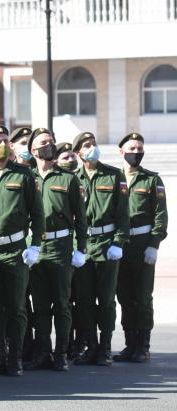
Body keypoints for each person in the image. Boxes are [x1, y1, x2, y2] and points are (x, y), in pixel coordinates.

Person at [26, 128, 87, 372]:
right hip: (34, 248)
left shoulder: (68, 179)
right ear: (33, 150)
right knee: (40, 305)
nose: (49, 146)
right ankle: (42, 352)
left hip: (60, 247)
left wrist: (80, 248)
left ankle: (60, 353)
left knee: (61, 303)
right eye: (44, 143)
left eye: (51, 141)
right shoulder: (26, 177)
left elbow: (81, 218)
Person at [0, 126, 43, 377]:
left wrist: (35, 245)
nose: (3, 145)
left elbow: (37, 214)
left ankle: (15, 356)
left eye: (6, 141)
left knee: (17, 307)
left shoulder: (23, 174)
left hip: (15, 249)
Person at [70, 131, 129, 365]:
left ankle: (105, 346)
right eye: (86, 145)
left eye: (93, 143)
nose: (92, 147)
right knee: (84, 300)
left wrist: (118, 242)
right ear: (78, 153)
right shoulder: (73, 178)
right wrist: (75, 246)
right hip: (83, 246)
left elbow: (124, 215)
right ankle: (91, 346)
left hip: (107, 245)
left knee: (105, 301)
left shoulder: (114, 176)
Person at [115, 132, 167, 363]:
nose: (136, 152)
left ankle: (143, 346)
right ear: (122, 152)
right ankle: (130, 343)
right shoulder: (114, 178)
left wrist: (153, 246)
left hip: (142, 244)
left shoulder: (152, 180)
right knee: (124, 296)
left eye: (139, 149)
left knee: (143, 297)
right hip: (119, 245)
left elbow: (160, 217)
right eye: (132, 148)